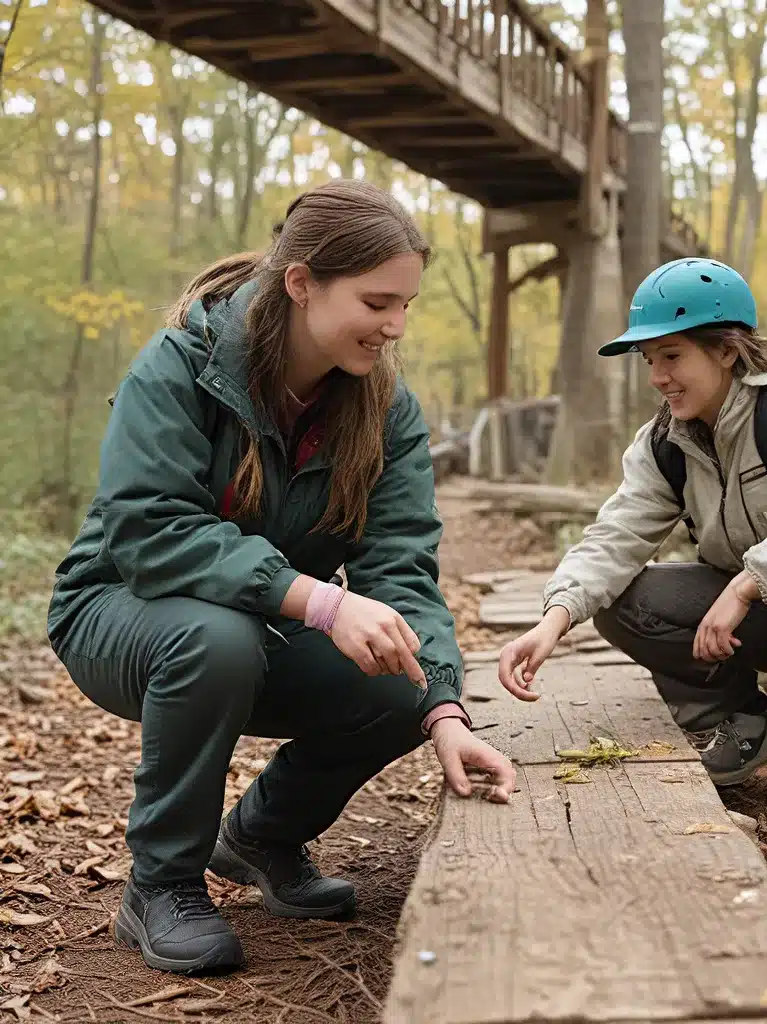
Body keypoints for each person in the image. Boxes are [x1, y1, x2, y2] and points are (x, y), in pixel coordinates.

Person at [47, 180, 516, 976]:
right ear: (301, 284)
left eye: (405, 304)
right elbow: (147, 530)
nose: (395, 326)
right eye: (377, 302)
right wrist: (323, 602)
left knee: (406, 674)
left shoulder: (384, 409)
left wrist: (444, 713)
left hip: (257, 623)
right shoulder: (182, 364)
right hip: (118, 609)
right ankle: (160, 886)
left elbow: (400, 565)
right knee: (216, 636)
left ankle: (261, 835)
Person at [497, 258, 767, 816]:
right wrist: (553, 621)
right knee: (620, 603)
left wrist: (744, 586)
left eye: (673, 356)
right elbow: (616, 535)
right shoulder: (666, 442)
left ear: (727, 350)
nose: (658, 376)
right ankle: (744, 720)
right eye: (650, 359)